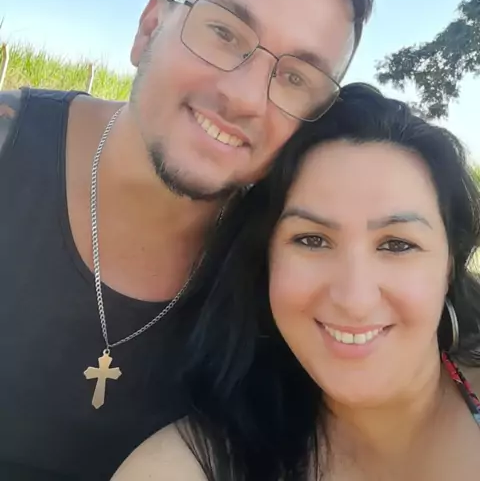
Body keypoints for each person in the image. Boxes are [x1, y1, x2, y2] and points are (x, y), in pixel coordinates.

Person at [0, 0, 376, 479]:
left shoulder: (292, 266)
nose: (245, 98)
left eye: (296, 78)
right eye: (223, 32)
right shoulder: (8, 146)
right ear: (149, 29)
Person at [114, 83, 480, 481]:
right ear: (266, 258)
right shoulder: (190, 466)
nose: (354, 299)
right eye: (312, 240)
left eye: (397, 244)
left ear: (449, 264)